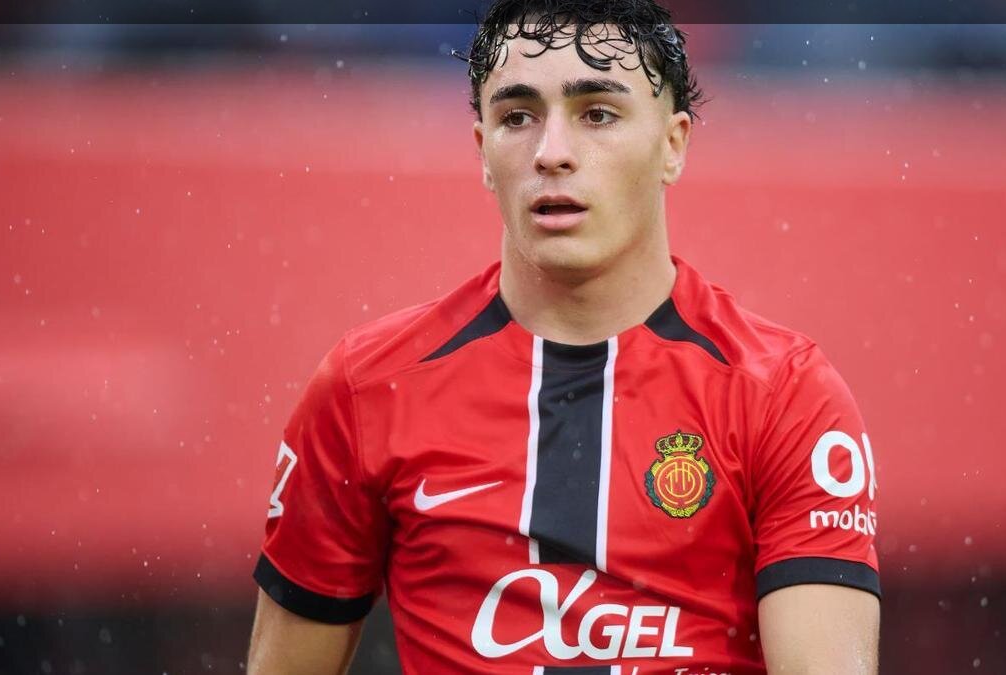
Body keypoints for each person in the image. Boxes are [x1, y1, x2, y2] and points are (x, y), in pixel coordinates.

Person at [247, 1, 880, 673]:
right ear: (482, 151)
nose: (551, 152)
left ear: (673, 145)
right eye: (517, 117)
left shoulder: (786, 395)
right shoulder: (366, 389)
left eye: (597, 114)